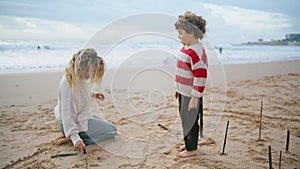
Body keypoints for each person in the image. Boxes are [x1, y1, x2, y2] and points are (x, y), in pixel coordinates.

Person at [53, 48, 117, 152]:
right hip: (69, 124)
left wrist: (93, 94)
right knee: (112, 131)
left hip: (75, 120)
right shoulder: (68, 85)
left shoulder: (75, 75)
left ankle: (68, 134)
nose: (90, 75)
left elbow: (79, 93)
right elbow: (67, 114)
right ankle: (74, 138)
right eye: (90, 71)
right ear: (82, 67)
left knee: (103, 122)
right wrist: (75, 138)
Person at [174, 11, 208, 158]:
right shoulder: (186, 47)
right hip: (184, 92)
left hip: (191, 96)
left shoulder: (196, 53)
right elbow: (183, 71)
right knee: (184, 118)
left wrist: (195, 97)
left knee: (190, 121)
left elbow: (200, 78)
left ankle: (192, 148)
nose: (179, 36)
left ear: (192, 32)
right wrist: (178, 89)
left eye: (181, 33)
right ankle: (190, 143)